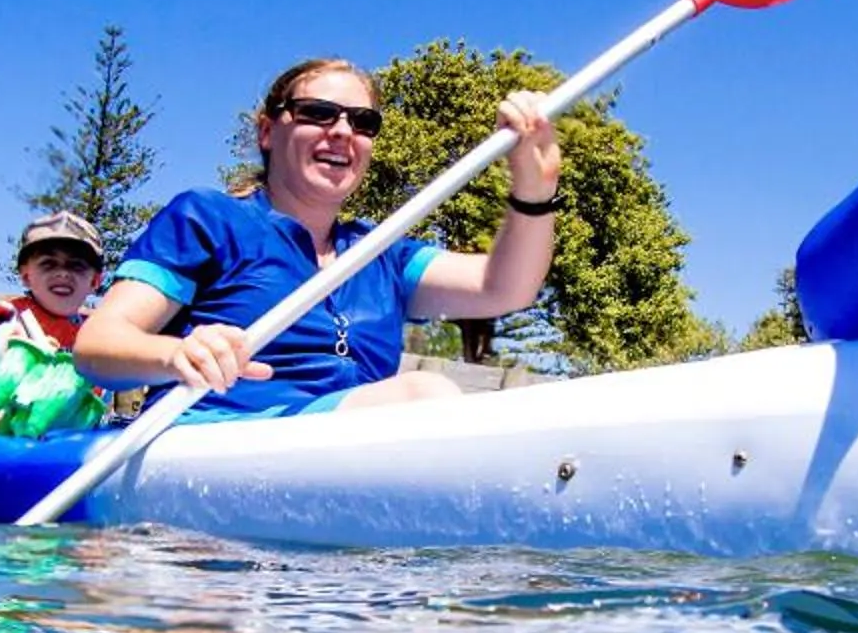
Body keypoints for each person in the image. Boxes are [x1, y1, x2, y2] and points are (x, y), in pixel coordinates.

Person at [71, 59, 561, 415]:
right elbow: (98, 347)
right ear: (268, 131)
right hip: (217, 437)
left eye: (362, 122)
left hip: (340, 451)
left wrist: (535, 188)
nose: (343, 131)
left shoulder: (380, 253)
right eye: (318, 113)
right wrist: (175, 354)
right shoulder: (207, 218)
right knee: (424, 396)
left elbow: (507, 288)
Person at [0, 211, 108, 437]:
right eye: (48, 264)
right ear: (26, 276)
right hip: (11, 448)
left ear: (95, 281)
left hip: (76, 449)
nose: (63, 273)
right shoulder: (12, 330)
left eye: (76, 266)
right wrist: (10, 423)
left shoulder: (99, 339)